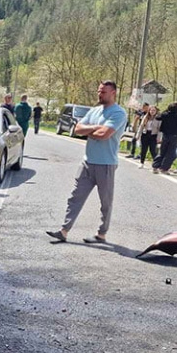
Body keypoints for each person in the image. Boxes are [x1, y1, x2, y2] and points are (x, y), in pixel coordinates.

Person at [46, 81, 127, 244]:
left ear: (113, 93)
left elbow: (104, 135)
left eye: (104, 92)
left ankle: (101, 234)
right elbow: (77, 129)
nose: (100, 94)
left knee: (105, 202)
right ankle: (64, 230)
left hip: (106, 164)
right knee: (75, 197)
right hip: (87, 163)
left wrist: (89, 130)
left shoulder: (118, 113)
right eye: (99, 91)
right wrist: (95, 128)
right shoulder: (95, 111)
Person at [151, 102, 177, 175]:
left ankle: (155, 166)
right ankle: (164, 168)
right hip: (174, 136)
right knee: (170, 153)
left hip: (165, 135)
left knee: (162, 151)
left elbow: (157, 117)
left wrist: (165, 111)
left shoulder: (165, 115)